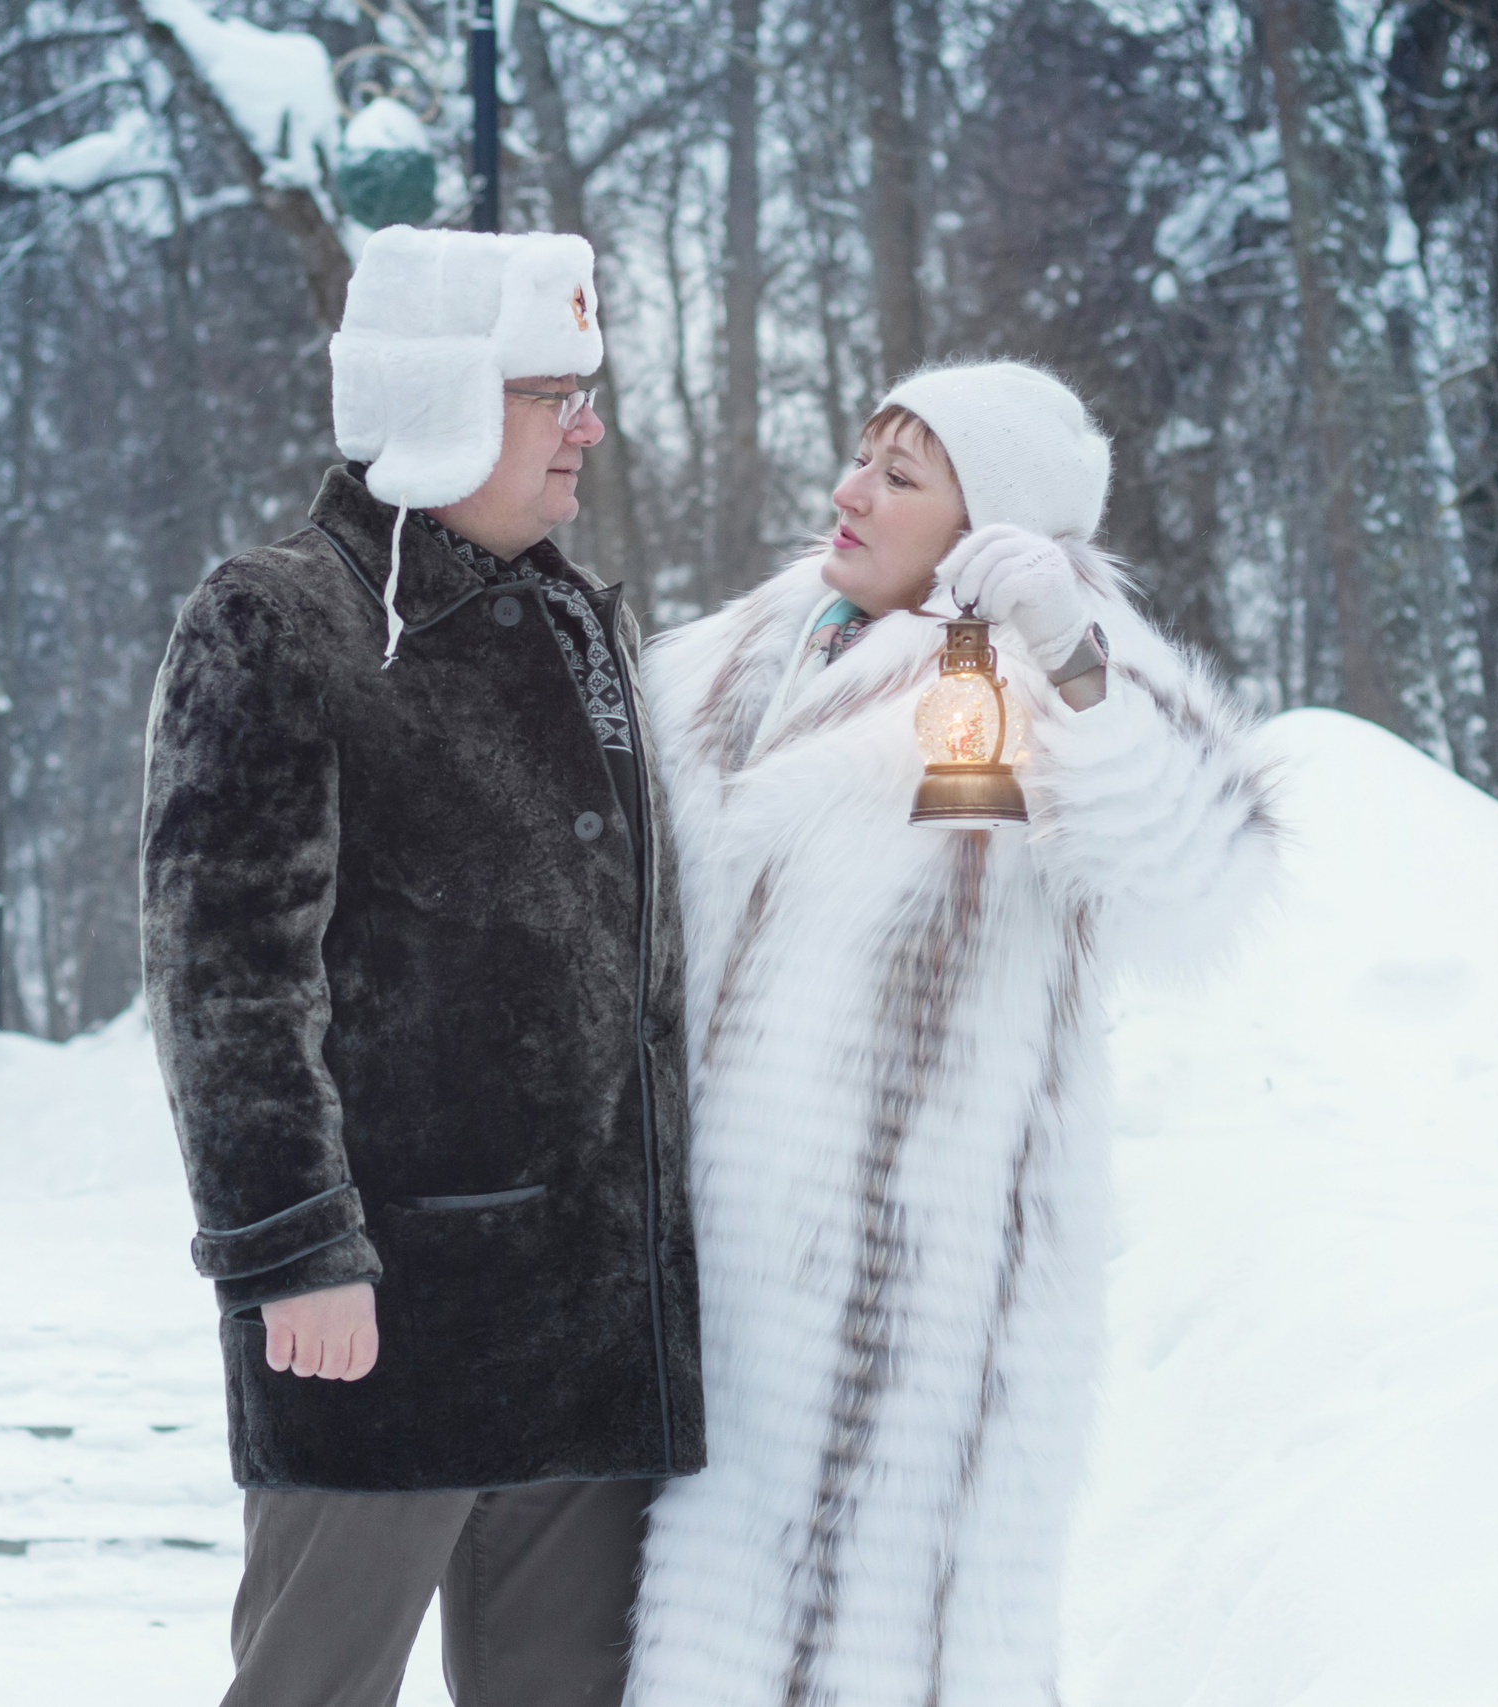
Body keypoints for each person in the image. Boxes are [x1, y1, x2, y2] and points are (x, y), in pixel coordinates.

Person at [623, 361, 1281, 1707]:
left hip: (907, 1312)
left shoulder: (1057, 673)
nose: (848, 492)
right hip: (703, 1305)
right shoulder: (739, 650)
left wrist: (1065, 650)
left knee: (886, 1661)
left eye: (899, 475)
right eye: (861, 456)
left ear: (996, 530)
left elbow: (1204, 871)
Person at [140, 225, 704, 1707]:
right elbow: (227, 979)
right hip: (381, 1323)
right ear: (440, 394)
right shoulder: (280, 620)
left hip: (587, 1319)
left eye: (583, 388)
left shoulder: (585, 620)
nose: (587, 424)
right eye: (547, 392)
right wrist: (292, 1249)